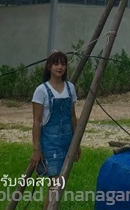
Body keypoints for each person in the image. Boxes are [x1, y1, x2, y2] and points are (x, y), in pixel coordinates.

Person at [32, 51, 81, 209]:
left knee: (61, 183)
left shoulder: (70, 88)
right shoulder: (41, 90)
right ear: (49, 67)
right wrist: (36, 149)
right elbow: (37, 122)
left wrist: (76, 142)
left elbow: (72, 116)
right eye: (56, 64)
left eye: (63, 64)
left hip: (67, 141)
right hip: (50, 143)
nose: (60, 67)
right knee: (55, 184)